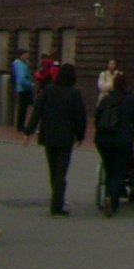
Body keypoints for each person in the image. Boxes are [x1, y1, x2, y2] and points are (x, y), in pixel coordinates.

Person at [25, 62, 86, 215]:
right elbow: (80, 117)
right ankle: (57, 205)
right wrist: (80, 135)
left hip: (48, 135)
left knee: (53, 170)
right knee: (61, 171)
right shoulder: (74, 94)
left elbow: (37, 111)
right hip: (66, 137)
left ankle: (56, 199)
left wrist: (29, 131)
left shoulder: (48, 91)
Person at [93, 71, 134, 216]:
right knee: (119, 171)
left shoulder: (105, 100)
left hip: (102, 140)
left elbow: (97, 119)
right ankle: (111, 197)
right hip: (122, 140)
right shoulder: (130, 101)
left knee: (109, 168)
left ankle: (111, 199)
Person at [11, 49, 35, 133]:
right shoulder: (20, 65)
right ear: (21, 55)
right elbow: (21, 79)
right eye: (26, 55)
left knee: (23, 108)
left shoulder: (23, 64)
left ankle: (21, 125)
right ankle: (20, 126)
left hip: (24, 88)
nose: (28, 56)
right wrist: (30, 84)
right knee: (22, 108)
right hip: (24, 88)